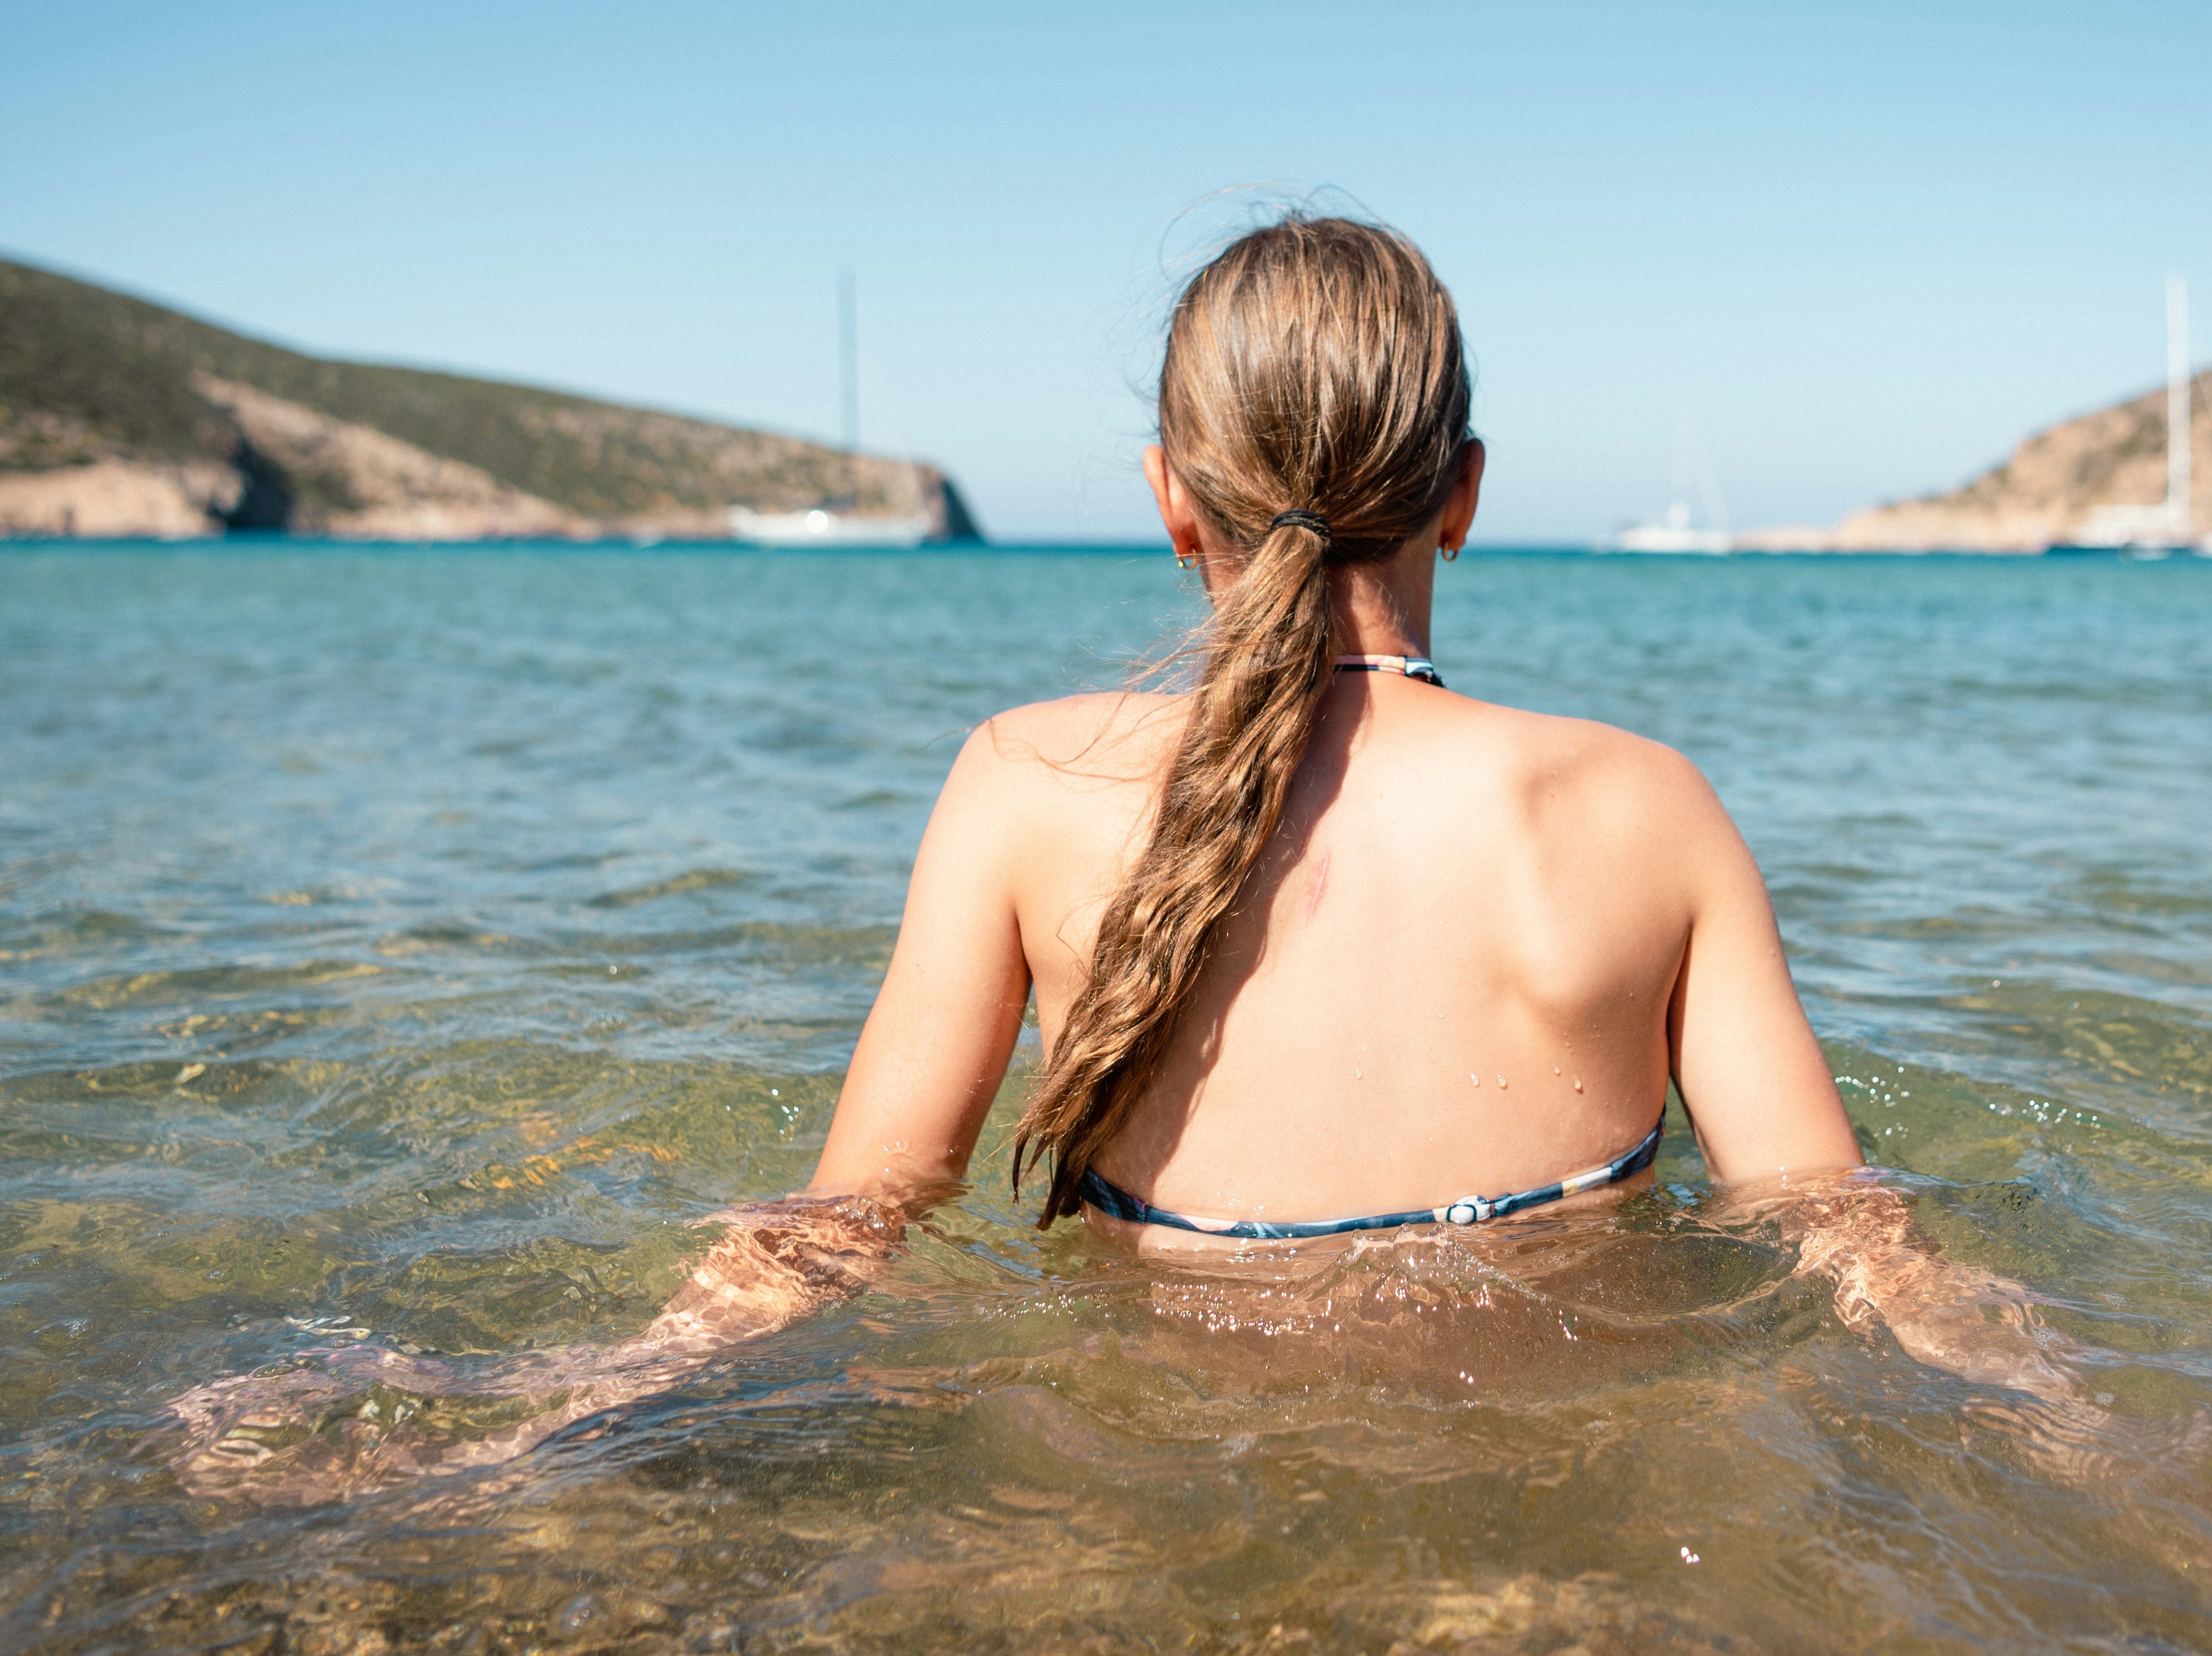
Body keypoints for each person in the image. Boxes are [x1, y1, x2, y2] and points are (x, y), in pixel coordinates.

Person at [175, 215, 2073, 1500]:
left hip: (1134, 1477)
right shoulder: (1641, 804)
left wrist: (530, 1407)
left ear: (1171, 496)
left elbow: (843, 1227)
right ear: (1467, 493)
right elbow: (1847, 1234)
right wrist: (2098, 1425)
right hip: (1551, 1479)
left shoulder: (1024, 782)